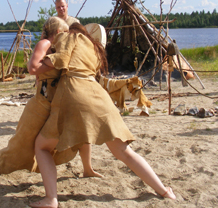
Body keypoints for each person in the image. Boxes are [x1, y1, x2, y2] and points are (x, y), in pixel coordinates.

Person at [30, 23, 176, 208]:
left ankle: (51, 199)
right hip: (99, 97)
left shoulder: (68, 37)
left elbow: (62, 59)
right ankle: (164, 190)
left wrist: (41, 63)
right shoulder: (94, 48)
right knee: (124, 152)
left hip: (73, 95)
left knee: (41, 146)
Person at [0, 17, 101, 188]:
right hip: (40, 106)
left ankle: (88, 168)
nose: (67, 36)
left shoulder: (60, 48)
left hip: (56, 105)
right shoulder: (45, 44)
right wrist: (54, 63)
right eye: (64, 33)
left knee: (81, 134)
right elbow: (32, 68)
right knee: (18, 147)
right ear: (57, 32)